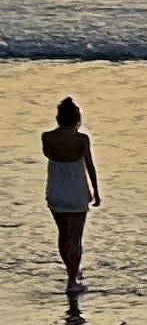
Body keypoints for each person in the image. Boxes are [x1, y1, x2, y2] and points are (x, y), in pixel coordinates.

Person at [40, 96, 98, 293]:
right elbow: (89, 166)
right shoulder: (82, 139)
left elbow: (49, 155)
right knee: (76, 238)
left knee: (63, 235)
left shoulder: (47, 137)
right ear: (77, 118)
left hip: (56, 191)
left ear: (58, 118)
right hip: (77, 192)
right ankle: (72, 279)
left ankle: (70, 271)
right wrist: (96, 192)